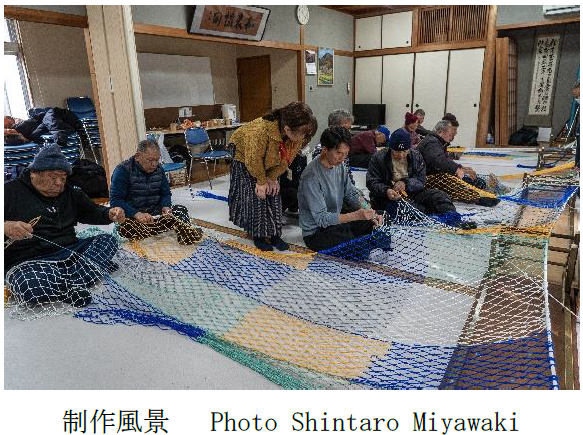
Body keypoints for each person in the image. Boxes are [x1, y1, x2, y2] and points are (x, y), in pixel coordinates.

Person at [4, 144, 126, 307]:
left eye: (63, 178)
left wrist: (109, 213)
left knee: (107, 241)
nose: (59, 183)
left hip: (71, 250)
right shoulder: (8, 191)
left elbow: (91, 211)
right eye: (53, 176)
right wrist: (5, 226)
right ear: (34, 173)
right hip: (29, 261)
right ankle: (86, 272)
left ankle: (66, 283)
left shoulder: (71, 192)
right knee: (28, 285)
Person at [228, 101, 318, 251]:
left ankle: (275, 234)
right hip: (244, 155)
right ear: (287, 129)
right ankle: (258, 235)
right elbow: (253, 159)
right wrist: (261, 181)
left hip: (268, 157)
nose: (303, 137)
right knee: (257, 195)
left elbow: (287, 159)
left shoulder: (296, 135)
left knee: (274, 192)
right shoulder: (260, 131)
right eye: (302, 134)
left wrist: (272, 177)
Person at [298, 127, 383, 252]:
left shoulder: (340, 166)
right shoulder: (311, 177)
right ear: (325, 149)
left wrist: (370, 212)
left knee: (379, 218)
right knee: (360, 249)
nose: (342, 158)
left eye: (346, 153)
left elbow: (352, 194)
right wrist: (355, 215)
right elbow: (322, 219)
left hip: (336, 222)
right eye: (338, 153)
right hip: (317, 232)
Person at [366, 128, 470, 226]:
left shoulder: (416, 156)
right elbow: (371, 181)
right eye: (397, 151)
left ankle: (454, 219)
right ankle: (429, 215)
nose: (401, 155)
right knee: (402, 208)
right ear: (391, 148)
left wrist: (406, 183)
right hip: (387, 198)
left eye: (404, 151)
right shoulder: (378, 158)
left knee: (440, 196)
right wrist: (386, 190)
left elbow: (421, 180)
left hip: (413, 193)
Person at [109, 139, 202, 244]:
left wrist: (166, 206)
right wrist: (136, 214)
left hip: (155, 214)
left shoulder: (159, 169)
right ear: (137, 156)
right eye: (150, 160)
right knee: (126, 227)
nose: (154, 164)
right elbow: (115, 200)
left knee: (180, 210)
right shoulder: (122, 170)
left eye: (157, 160)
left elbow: (165, 193)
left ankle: (184, 235)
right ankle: (160, 230)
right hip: (135, 217)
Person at [418, 120, 499, 206]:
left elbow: (445, 160)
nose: (452, 137)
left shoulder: (438, 142)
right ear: (441, 132)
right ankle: (478, 197)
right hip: (425, 179)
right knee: (451, 181)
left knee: (470, 178)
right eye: (450, 134)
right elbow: (438, 160)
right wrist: (456, 169)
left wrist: (461, 168)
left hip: (433, 175)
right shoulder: (432, 142)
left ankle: (485, 188)